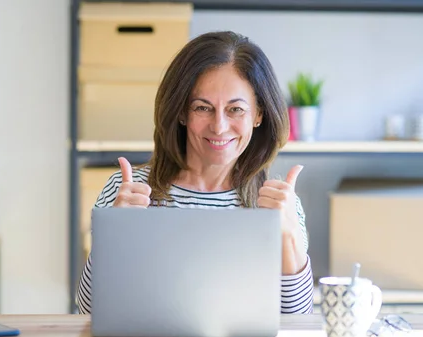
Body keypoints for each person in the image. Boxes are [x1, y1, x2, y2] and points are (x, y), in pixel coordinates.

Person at [77, 31, 313, 315]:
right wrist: (114, 235)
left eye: (235, 109)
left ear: (258, 114)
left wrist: (288, 236)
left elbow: (297, 319)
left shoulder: (279, 203)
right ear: (181, 112)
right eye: (203, 108)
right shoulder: (127, 190)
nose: (219, 126)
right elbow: (89, 311)